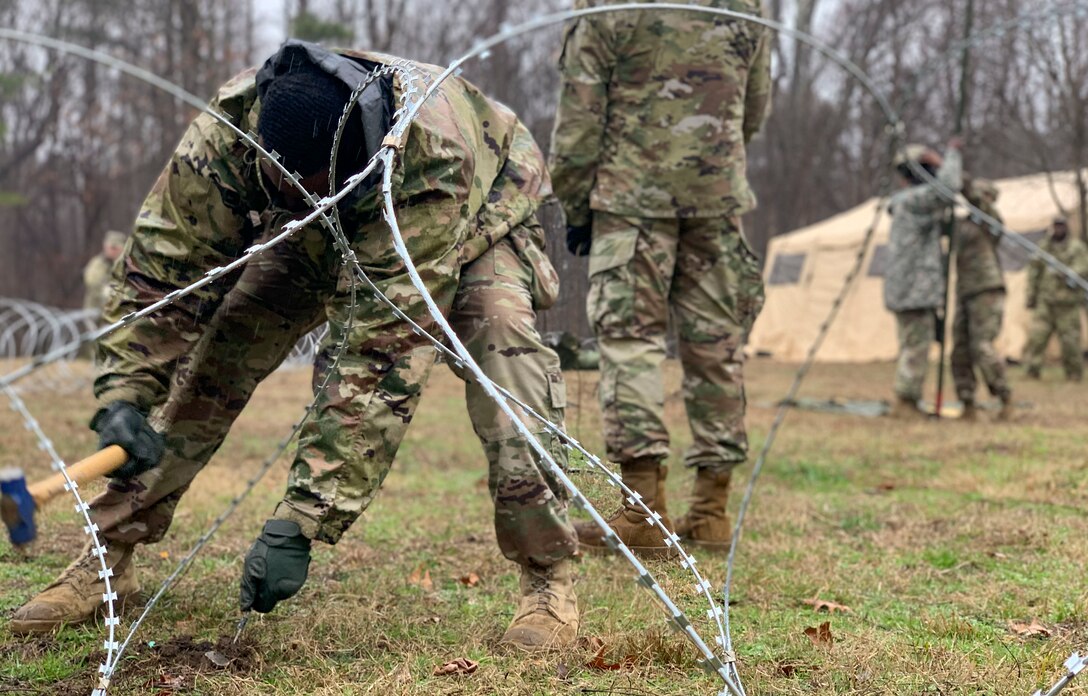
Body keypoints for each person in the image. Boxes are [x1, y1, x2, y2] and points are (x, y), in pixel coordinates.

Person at [11, 40, 579, 652]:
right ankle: (107, 556)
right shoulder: (228, 136)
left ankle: (548, 580)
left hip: (474, 213)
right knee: (220, 349)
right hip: (317, 225)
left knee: (503, 349)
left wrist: (302, 520)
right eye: (287, 180)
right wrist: (123, 395)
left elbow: (377, 355)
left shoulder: (433, 158)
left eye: (310, 181)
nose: (295, 184)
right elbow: (160, 268)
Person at [548, 0, 770, 555]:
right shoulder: (746, 7)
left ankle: (643, 513)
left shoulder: (608, 8)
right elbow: (754, 108)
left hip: (631, 200)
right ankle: (712, 512)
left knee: (631, 343)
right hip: (716, 198)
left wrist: (577, 208)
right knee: (716, 347)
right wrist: (711, 160)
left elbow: (578, 124)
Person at [883, 138, 963, 419]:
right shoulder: (915, 201)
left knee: (911, 345)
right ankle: (905, 401)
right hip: (914, 289)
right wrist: (950, 157)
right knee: (916, 347)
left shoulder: (906, 203)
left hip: (907, 287)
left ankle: (907, 398)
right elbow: (949, 188)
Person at [950, 179, 1012, 421]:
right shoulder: (963, 225)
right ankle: (967, 402)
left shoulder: (992, 221)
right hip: (965, 290)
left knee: (982, 346)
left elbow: (975, 199)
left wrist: (959, 179)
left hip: (987, 288)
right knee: (960, 349)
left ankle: (1005, 397)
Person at [1023, 216, 1088, 381]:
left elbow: (1083, 267)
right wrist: (1031, 295)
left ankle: (1074, 375)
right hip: (1046, 301)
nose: (1058, 229)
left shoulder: (1076, 248)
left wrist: (1067, 273)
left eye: (1061, 226)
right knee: (1037, 338)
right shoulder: (1044, 247)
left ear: (1066, 227)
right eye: (1056, 226)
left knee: (1070, 342)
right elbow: (1034, 271)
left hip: (1067, 303)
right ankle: (1031, 371)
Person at [81, 230, 127, 312]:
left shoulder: (127, 264)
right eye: (110, 247)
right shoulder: (98, 263)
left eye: (115, 248)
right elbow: (92, 282)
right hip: (97, 311)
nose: (112, 251)